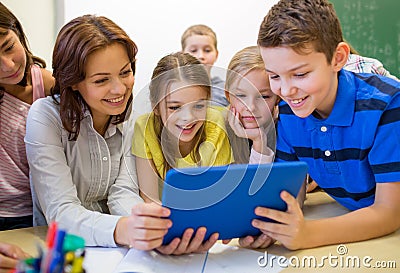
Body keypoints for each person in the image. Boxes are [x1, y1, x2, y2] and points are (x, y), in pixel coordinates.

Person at [25, 15, 212, 255]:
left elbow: (122, 191)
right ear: (72, 81)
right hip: (57, 250)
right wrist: (126, 229)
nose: (120, 89)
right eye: (102, 80)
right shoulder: (45, 117)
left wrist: (150, 226)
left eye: (125, 73)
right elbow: (61, 212)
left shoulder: (132, 116)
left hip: (118, 251)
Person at [252, 0, 400, 250]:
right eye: (275, 76)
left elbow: (388, 213)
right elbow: (291, 195)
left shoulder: (386, 104)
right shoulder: (289, 112)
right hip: (356, 230)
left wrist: (307, 234)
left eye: (300, 74)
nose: (286, 91)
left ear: (338, 58)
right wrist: (266, 227)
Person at [132, 52, 233, 203]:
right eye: (174, 107)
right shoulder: (144, 127)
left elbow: (220, 194)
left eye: (199, 106)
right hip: (166, 219)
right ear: (156, 107)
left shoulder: (214, 123)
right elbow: (149, 199)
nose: (188, 117)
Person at [0, 2, 54, 231]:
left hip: (34, 214)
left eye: (8, 47)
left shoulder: (47, 84)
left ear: (19, 33)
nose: (7, 66)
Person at [224, 45, 277, 165]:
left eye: (263, 97)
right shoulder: (219, 131)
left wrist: (259, 141)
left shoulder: (287, 128)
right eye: (241, 96)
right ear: (228, 96)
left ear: (277, 98)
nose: (251, 107)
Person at [181, 24, 229, 107]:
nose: (201, 56)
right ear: (182, 55)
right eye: (193, 50)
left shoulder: (226, 90)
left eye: (207, 50)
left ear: (216, 55)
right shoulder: (175, 88)